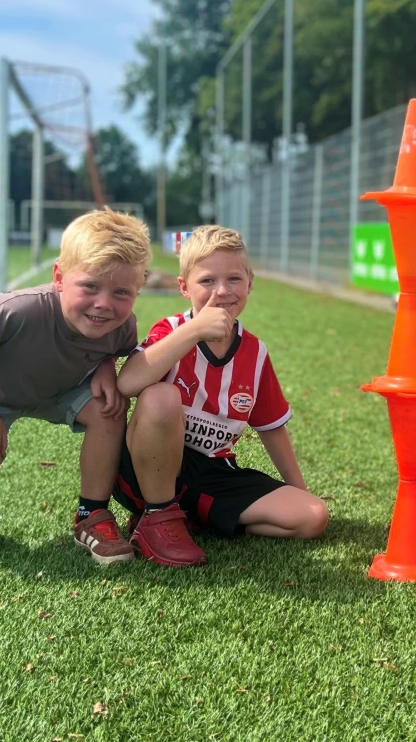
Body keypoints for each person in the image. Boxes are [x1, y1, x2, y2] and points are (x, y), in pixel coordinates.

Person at [0, 208, 151, 565]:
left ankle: (91, 513)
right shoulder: (16, 310)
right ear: (60, 277)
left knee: (110, 408)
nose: (104, 304)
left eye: (122, 292)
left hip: (60, 391)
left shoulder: (122, 326)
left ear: (138, 290)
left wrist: (107, 366)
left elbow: (117, 350)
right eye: (90, 286)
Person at [114, 225, 328, 567]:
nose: (222, 291)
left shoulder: (255, 353)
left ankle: (191, 517)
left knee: (312, 516)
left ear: (250, 282)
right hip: (147, 468)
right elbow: (128, 383)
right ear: (184, 287)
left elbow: (271, 427)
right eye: (207, 281)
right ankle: (156, 516)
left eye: (233, 279)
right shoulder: (171, 330)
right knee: (160, 397)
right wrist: (195, 330)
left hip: (213, 473)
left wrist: (299, 489)